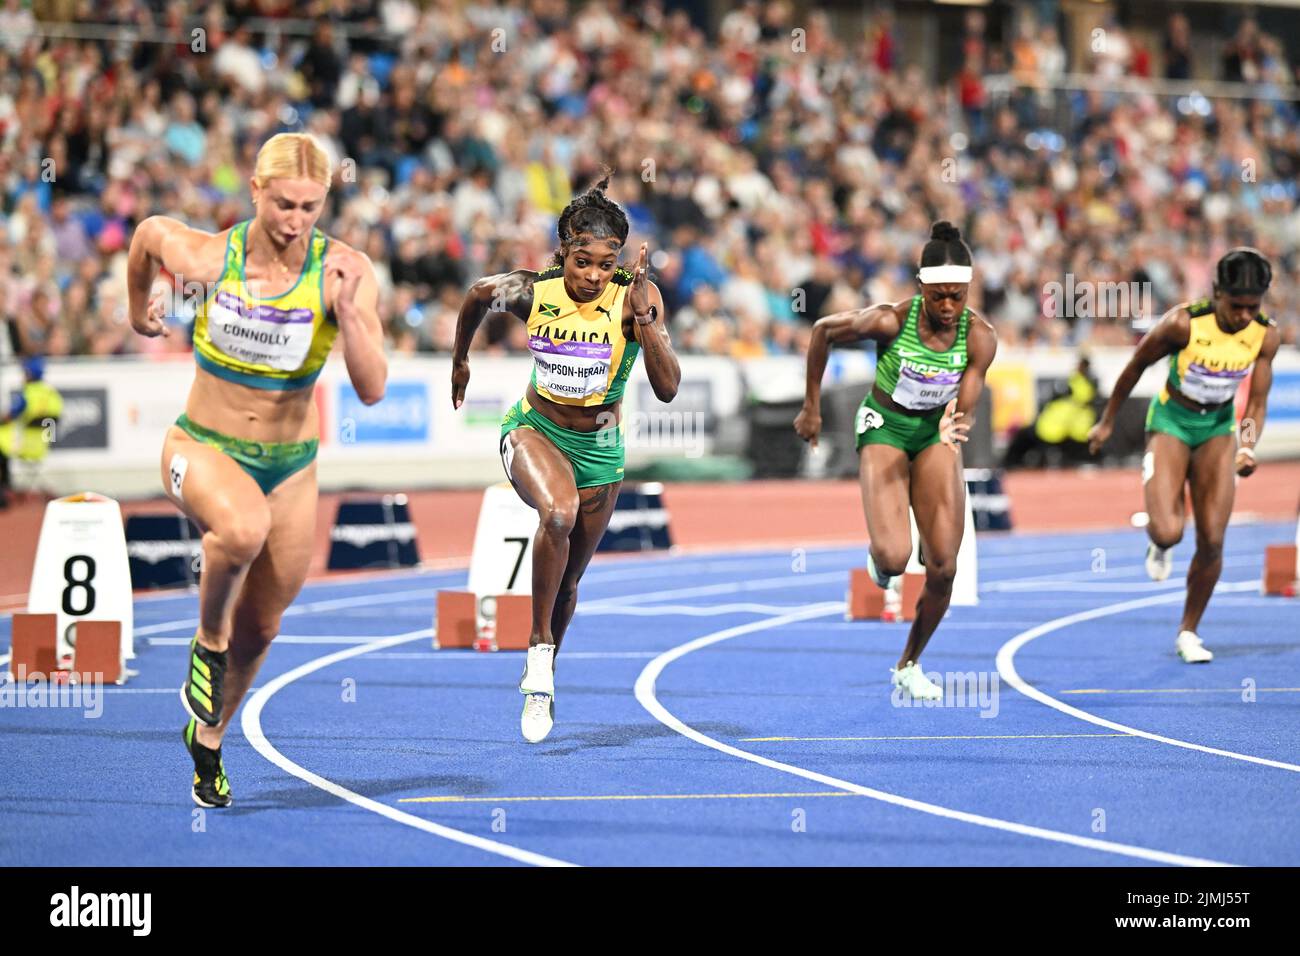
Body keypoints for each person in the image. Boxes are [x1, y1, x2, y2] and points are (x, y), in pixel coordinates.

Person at [126, 133, 387, 806]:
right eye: (283, 205)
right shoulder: (215, 256)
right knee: (241, 529)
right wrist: (139, 305)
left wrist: (352, 316)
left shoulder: (345, 271)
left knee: (266, 624)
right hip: (201, 446)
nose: (296, 220)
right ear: (255, 191)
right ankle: (206, 641)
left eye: (310, 205)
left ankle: (207, 742)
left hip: (292, 465)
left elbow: (372, 388)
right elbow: (151, 233)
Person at [451, 173, 680, 743]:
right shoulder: (533, 290)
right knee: (557, 513)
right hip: (534, 429)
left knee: (571, 582)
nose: (594, 275)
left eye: (607, 264)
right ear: (563, 251)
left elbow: (669, 386)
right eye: (583, 262)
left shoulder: (635, 299)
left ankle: (548, 663)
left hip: (600, 449)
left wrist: (645, 317)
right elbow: (479, 293)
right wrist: (460, 359)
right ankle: (536, 654)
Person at [795, 221, 998, 699]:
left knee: (945, 567)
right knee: (894, 556)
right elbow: (823, 331)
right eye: (939, 297)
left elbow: (967, 399)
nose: (948, 308)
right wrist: (811, 407)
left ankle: (909, 664)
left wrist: (957, 422)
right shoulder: (888, 320)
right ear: (921, 286)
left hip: (933, 432)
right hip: (885, 426)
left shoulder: (980, 337)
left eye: (958, 296)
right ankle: (882, 558)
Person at [1087, 248, 1279, 663]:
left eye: (1253, 307)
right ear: (1216, 293)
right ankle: (1158, 542)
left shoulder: (1265, 336)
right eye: (1236, 306)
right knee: (1169, 532)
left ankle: (1189, 631)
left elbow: (1257, 404)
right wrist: (1107, 421)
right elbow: (1134, 367)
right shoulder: (1182, 324)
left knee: (1212, 539)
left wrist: (1247, 444)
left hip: (1219, 430)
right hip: (1172, 422)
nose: (1245, 315)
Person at [0, 356, 62, 508]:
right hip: (42, 445)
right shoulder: (51, 394)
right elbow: (56, 418)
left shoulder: (26, 394)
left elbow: (9, 417)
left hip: (22, 444)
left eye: (25, 373)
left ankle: (5, 488)